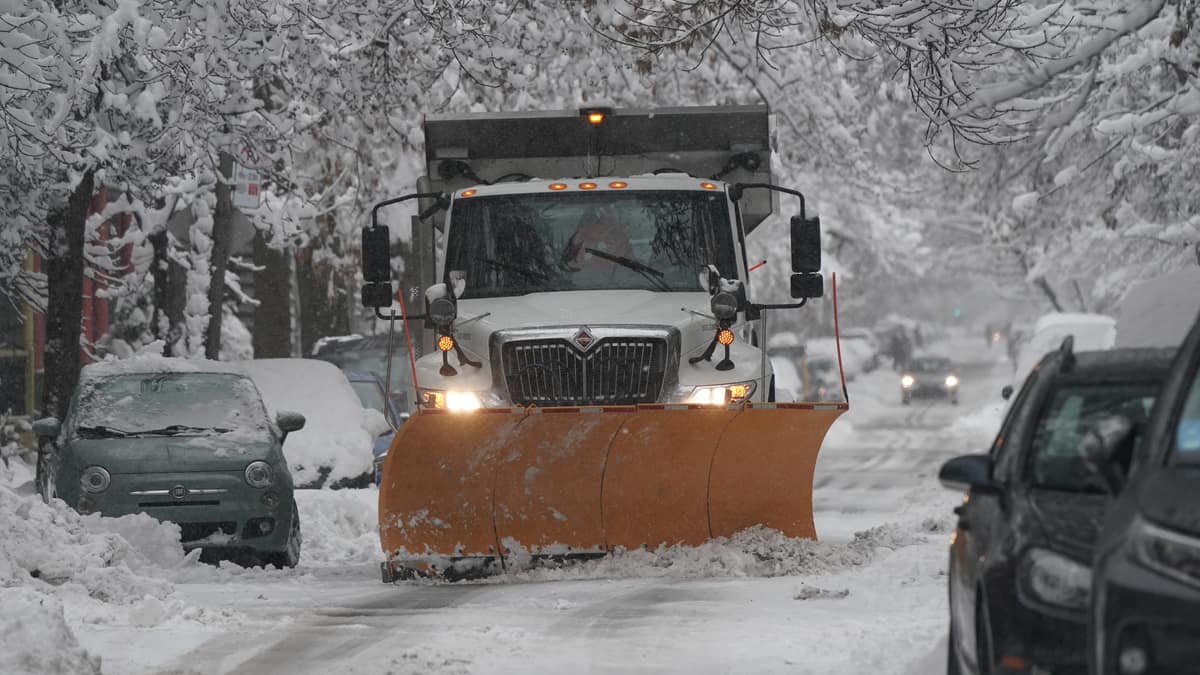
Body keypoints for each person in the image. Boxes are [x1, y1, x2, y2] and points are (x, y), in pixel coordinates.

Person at [560, 205, 635, 271]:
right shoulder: (581, 237)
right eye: (607, 214)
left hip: (615, 278)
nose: (611, 216)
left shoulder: (618, 235)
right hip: (585, 278)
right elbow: (572, 261)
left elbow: (630, 261)